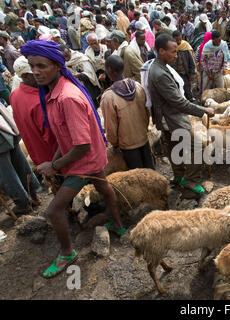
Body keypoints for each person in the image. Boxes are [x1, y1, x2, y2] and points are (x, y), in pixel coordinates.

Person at [20, 40, 124, 278]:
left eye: (41, 66)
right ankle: (118, 225)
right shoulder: (54, 92)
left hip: (82, 161)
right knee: (103, 185)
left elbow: (81, 144)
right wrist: (53, 163)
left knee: (54, 211)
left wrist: (54, 165)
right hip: (86, 157)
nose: (36, 71)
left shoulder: (67, 97)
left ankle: (67, 253)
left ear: (57, 66)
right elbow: (63, 136)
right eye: (32, 66)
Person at [148, 34, 215, 198]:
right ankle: (190, 179)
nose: (176, 55)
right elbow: (178, 102)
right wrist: (202, 110)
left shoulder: (160, 67)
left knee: (172, 146)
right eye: (173, 52)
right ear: (161, 51)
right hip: (171, 118)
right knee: (200, 146)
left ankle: (178, 175)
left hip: (165, 117)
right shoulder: (160, 73)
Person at [101, 55, 154, 170]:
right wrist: (143, 130)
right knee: (150, 171)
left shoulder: (108, 97)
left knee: (136, 176)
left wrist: (114, 143)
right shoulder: (138, 86)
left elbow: (110, 127)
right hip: (143, 138)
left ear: (109, 70)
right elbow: (147, 112)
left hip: (127, 145)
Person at [10, 56, 58, 171]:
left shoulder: (15, 94)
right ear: (25, 76)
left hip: (37, 155)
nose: (40, 74)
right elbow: (51, 136)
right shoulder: (38, 102)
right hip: (53, 158)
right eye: (34, 73)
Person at [61, 44, 102, 109]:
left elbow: (90, 74)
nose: (66, 58)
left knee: (93, 106)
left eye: (67, 55)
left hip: (89, 87)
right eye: (64, 57)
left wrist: (77, 75)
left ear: (70, 51)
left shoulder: (80, 58)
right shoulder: (62, 63)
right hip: (76, 90)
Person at [172, 30, 196, 102]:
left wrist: (192, 73)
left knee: (187, 86)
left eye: (180, 39)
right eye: (177, 40)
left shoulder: (185, 47)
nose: (179, 42)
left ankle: (190, 99)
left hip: (185, 72)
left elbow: (191, 62)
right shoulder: (171, 48)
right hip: (175, 72)